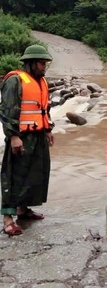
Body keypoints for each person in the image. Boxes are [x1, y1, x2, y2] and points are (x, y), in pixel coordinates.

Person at [0, 44, 54, 236]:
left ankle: (23, 210)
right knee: (14, 176)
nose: (44, 67)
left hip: (38, 136)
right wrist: (13, 136)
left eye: (46, 63)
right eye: (41, 63)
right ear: (30, 63)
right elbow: (7, 111)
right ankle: (8, 219)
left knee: (35, 174)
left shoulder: (41, 82)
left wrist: (48, 129)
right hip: (21, 137)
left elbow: (43, 109)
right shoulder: (15, 80)